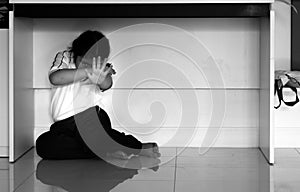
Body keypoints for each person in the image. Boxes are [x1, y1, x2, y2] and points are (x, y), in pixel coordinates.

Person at [36, 30, 160, 160]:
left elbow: (107, 84)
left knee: (94, 135)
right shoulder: (65, 57)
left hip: (91, 118)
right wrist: (88, 71)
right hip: (64, 125)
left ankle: (135, 147)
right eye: (84, 63)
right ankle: (104, 151)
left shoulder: (101, 67)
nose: (88, 66)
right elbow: (55, 78)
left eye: (93, 64)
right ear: (75, 54)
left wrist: (101, 78)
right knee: (44, 145)